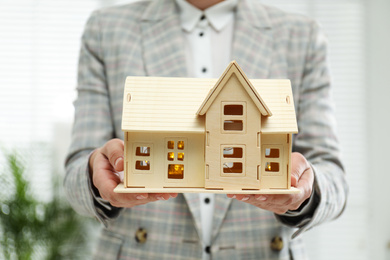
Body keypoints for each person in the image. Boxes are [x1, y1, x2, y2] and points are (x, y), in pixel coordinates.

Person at [64, 0, 348, 259]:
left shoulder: (302, 35)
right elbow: (77, 172)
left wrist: (305, 192)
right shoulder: (106, 29)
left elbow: (333, 177)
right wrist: (94, 173)